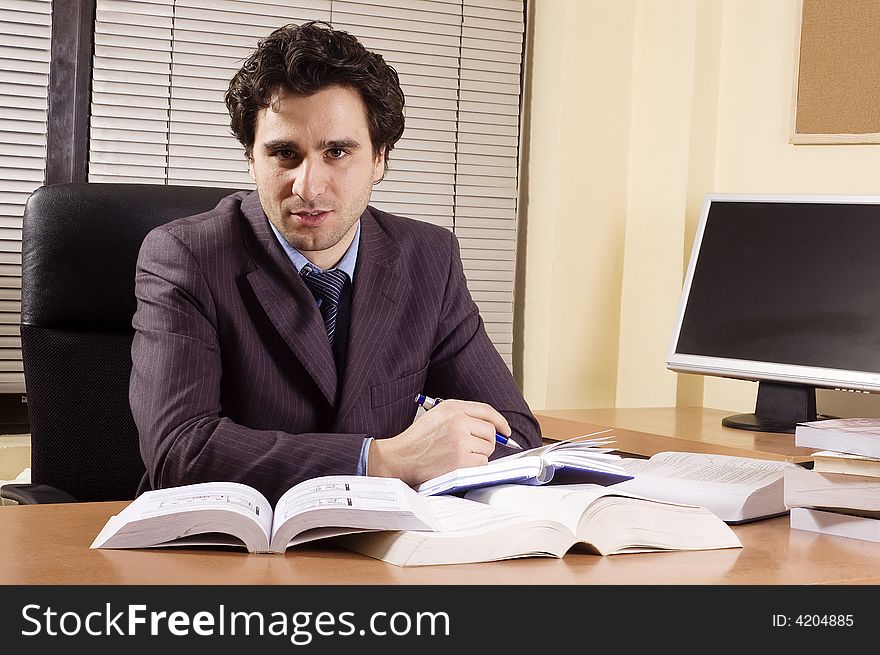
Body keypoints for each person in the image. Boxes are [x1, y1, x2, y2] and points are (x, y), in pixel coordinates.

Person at [130, 21, 541, 504]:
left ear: (380, 159)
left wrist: (451, 444)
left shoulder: (429, 258)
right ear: (250, 159)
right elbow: (179, 451)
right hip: (230, 547)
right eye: (284, 153)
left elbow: (514, 435)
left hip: (390, 549)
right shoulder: (186, 257)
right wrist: (380, 460)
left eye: (338, 152)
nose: (309, 186)